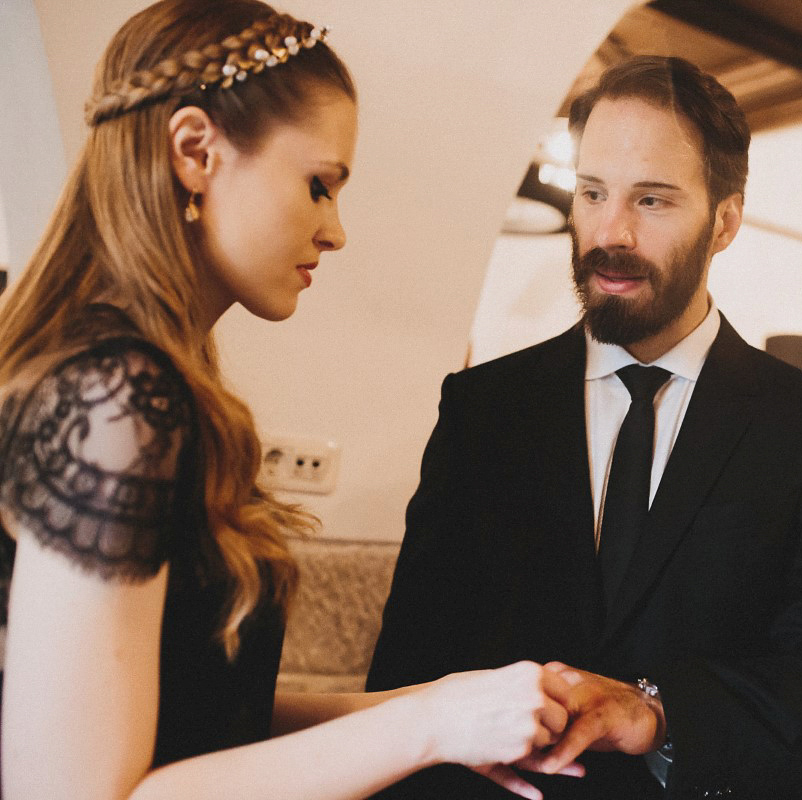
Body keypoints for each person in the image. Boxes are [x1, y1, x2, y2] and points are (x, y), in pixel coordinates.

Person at [0, 3, 582, 799]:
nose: (335, 231)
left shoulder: (145, 381)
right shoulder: (117, 394)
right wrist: (429, 724)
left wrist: (437, 710)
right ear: (196, 150)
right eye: (319, 185)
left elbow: (199, 712)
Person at [367, 55, 802, 799]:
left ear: (725, 221)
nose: (610, 231)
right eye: (591, 192)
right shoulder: (483, 410)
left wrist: (659, 711)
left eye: (652, 201)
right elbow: (409, 674)